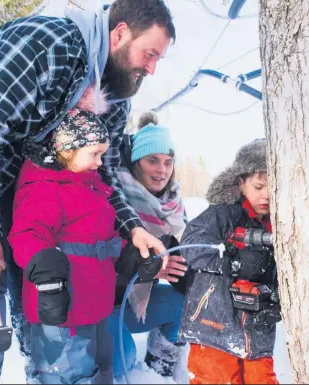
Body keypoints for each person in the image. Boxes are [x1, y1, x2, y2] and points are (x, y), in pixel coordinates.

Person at [0, 1, 175, 383]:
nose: (151, 68)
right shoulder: (47, 45)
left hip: (21, 206)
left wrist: (132, 228)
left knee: (42, 333)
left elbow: (105, 175)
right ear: (120, 33)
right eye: (149, 54)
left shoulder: (114, 98)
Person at [7, 97, 123, 384]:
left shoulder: (90, 186)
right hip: (62, 307)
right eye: (94, 154)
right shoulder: (45, 187)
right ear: (68, 149)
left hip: (93, 302)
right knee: (68, 374)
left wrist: (125, 251)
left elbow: (96, 234)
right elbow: (27, 233)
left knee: (98, 371)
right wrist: (46, 277)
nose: (99, 162)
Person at [178, 139, 281, 384]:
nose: (266, 194)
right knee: (215, 379)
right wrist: (233, 261)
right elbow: (191, 245)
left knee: (261, 380)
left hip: (257, 330)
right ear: (240, 182)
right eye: (258, 186)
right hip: (214, 325)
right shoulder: (222, 214)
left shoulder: (281, 222)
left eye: (273, 187)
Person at [107, 112, 189, 380]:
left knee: (184, 306)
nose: (161, 170)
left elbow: (181, 268)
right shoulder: (114, 197)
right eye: (152, 160)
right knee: (122, 363)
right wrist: (148, 271)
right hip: (103, 306)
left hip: (135, 304)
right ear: (136, 162)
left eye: (167, 162)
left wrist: (191, 270)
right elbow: (100, 265)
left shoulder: (173, 207)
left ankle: (161, 368)